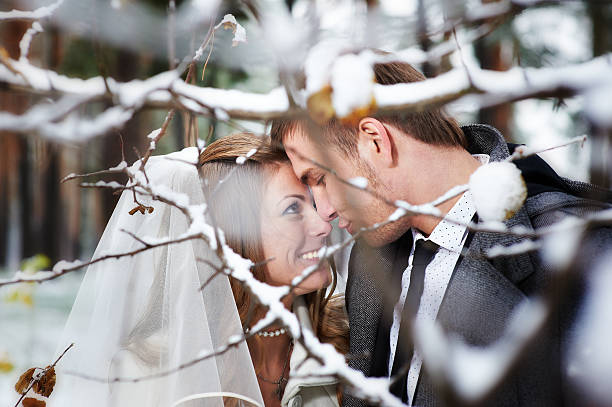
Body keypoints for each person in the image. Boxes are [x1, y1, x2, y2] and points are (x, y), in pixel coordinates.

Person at [271, 58, 612, 406]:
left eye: (321, 179)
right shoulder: (370, 257)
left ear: (375, 140)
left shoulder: (583, 251)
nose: (324, 210)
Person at [49, 133, 348, 407]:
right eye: (293, 209)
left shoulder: (349, 339)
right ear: (234, 239)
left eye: (312, 202)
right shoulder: (149, 374)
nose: (324, 224)